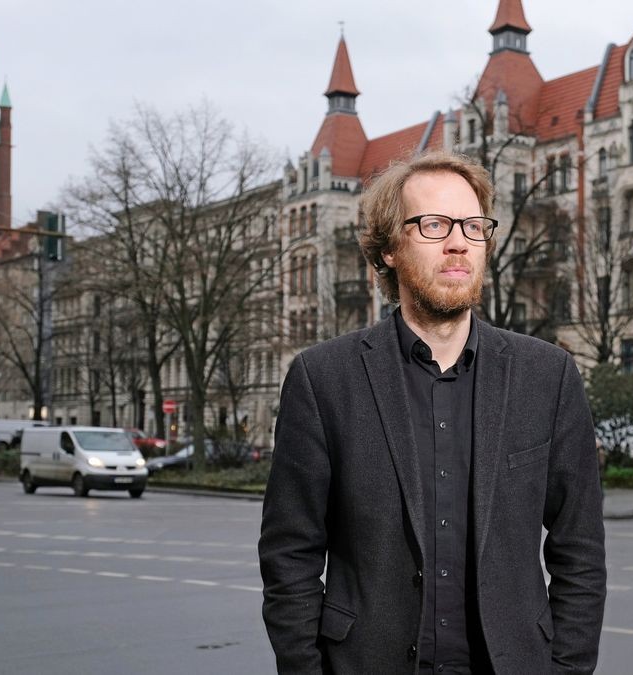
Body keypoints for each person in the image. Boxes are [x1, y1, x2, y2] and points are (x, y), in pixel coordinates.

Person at [258, 151, 606, 674]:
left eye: (472, 225)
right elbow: (290, 558)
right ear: (390, 247)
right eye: (435, 224)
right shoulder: (322, 379)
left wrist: (567, 669)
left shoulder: (548, 376)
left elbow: (580, 552)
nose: (459, 241)